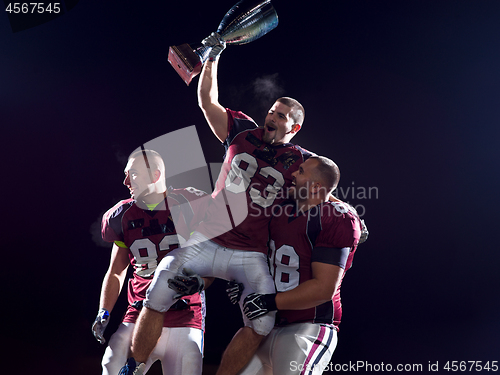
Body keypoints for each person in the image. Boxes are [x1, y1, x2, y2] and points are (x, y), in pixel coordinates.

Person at [119, 34, 314, 375]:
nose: (271, 116)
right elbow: (207, 101)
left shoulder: (300, 160)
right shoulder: (242, 133)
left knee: (263, 323)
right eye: (272, 110)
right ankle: (133, 366)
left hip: (250, 252)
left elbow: (325, 179)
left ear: (294, 127)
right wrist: (213, 57)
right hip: (209, 239)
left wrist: (347, 209)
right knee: (158, 290)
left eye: (281, 116)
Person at [232, 155, 365, 374]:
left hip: (308, 327)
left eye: (301, 171)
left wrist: (269, 302)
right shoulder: (279, 210)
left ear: (315, 187)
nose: (293, 174)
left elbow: (323, 289)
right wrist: (243, 283)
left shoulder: (335, 218)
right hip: (267, 326)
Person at [92, 149, 211, 375]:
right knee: (111, 366)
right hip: (138, 314)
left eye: (133, 174)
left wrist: (202, 281)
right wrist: (104, 311)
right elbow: (117, 270)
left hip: (184, 315)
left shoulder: (189, 204)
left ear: (155, 175)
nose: (126, 181)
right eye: (126, 174)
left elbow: (212, 258)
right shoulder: (123, 214)